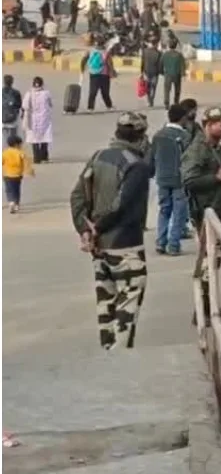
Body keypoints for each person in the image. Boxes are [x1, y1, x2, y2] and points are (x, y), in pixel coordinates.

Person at [69, 112, 151, 350]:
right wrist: (97, 227)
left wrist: (85, 229)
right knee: (128, 303)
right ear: (141, 136)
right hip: (126, 245)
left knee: (106, 302)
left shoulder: (98, 156)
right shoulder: (136, 166)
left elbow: (77, 196)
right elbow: (121, 204)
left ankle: (107, 353)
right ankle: (120, 356)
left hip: (99, 247)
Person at [183, 106, 221, 322]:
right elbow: (189, 180)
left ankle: (210, 304)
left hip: (217, 213)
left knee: (214, 262)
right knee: (207, 262)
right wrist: (216, 178)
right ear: (209, 125)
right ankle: (202, 308)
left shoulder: (214, 147)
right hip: (205, 215)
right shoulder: (198, 149)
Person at [151, 104, 193, 256]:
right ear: (183, 118)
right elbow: (189, 159)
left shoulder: (158, 135)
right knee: (179, 212)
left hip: (162, 178)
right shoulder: (185, 136)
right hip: (179, 179)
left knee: (164, 210)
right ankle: (173, 244)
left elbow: (152, 157)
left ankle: (161, 242)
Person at [22, 77, 54, 164]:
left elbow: (25, 106)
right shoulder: (46, 93)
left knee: (34, 140)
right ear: (42, 84)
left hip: (33, 120)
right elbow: (51, 104)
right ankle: (44, 157)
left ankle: (36, 158)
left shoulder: (29, 94)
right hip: (45, 119)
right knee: (45, 138)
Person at [3, 133, 34, 213]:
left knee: (9, 189)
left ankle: (11, 202)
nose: (21, 146)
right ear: (16, 144)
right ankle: (16, 204)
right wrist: (30, 171)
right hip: (17, 175)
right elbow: (26, 162)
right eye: (20, 144)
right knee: (16, 190)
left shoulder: (5, 153)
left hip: (7, 175)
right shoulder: (20, 153)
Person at [82, 38, 114, 111]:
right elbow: (110, 63)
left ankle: (90, 108)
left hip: (94, 74)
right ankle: (109, 106)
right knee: (105, 92)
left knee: (93, 92)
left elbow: (84, 60)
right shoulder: (106, 52)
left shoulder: (90, 51)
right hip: (104, 74)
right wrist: (111, 72)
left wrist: (82, 69)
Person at [161, 40, 187, 107]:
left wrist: (162, 72)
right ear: (175, 46)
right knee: (177, 89)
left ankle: (166, 103)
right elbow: (182, 65)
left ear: (169, 46)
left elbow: (161, 64)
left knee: (167, 90)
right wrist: (183, 74)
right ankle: (176, 102)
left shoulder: (165, 54)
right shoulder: (179, 55)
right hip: (177, 75)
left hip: (168, 75)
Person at [140, 40, 163, 107]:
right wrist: (161, 72)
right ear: (155, 44)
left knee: (147, 87)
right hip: (155, 73)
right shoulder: (159, 53)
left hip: (146, 72)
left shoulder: (145, 51)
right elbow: (160, 64)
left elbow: (142, 62)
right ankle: (151, 100)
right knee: (153, 87)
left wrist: (141, 72)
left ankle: (149, 100)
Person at [3, 74, 23, 145]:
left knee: (4, 138)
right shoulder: (16, 92)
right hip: (13, 119)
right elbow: (19, 105)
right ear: (12, 82)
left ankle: (5, 150)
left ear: (4, 82)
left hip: (2, 120)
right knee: (13, 138)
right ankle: (11, 150)